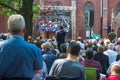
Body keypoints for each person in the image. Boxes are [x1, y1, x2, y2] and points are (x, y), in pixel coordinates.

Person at [0, 14, 43, 80]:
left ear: (8, 30)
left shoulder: (1, 46)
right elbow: (38, 69)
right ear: (24, 30)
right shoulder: (34, 49)